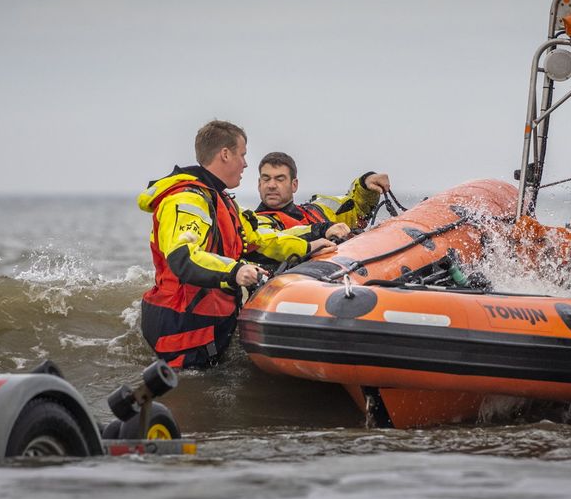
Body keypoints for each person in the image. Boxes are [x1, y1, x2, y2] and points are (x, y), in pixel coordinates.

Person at [138, 121, 334, 369]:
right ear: (225, 154)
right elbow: (184, 257)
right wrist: (235, 271)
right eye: (242, 155)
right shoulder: (187, 200)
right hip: (182, 326)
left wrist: (309, 246)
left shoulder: (220, 200)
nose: (245, 164)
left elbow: (261, 240)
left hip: (207, 324)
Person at [254, 151, 391, 241]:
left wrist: (366, 184)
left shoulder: (318, 210)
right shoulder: (252, 224)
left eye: (279, 179)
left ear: (294, 184)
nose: (271, 185)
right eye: (266, 179)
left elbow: (355, 208)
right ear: (259, 184)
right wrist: (321, 230)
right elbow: (274, 240)